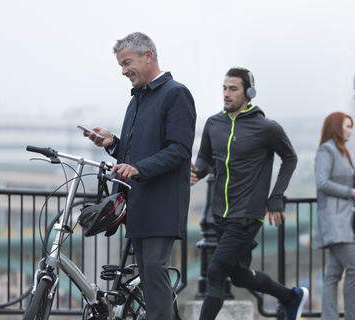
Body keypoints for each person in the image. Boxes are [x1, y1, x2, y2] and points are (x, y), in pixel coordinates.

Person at [83, 32, 196, 320]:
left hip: (163, 202)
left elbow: (180, 150)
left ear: (148, 56)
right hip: (138, 203)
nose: (123, 71)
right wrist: (113, 145)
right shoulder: (136, 100)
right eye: (120, 65)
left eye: (127, 63)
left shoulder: (176, 93)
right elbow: (134, 155)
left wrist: (139, 169)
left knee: (155, 273)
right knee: (147, 276)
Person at [190, 67, 308, 320]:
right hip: (219, 212)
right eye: (224, 88)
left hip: (247, 213)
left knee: (215, 271)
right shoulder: (213, 123)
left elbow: (290, 158)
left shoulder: (266, 128)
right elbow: (206, 157)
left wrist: (275, 197)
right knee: (240, 276)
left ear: (248, 93)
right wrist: (198, 172)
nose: (226, 93)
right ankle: (291, 297)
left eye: (233, 89)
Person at [315, 112, 355, 320]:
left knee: (332, 274)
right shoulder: (327, 149)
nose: (350, 130)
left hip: (344, 219)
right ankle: (352, 316)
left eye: (351, 126)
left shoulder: (342, 152)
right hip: (336, 220)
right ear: (336, 126)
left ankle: (329, 317)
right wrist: (351, 192)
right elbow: (322, 182)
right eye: (347, 126)